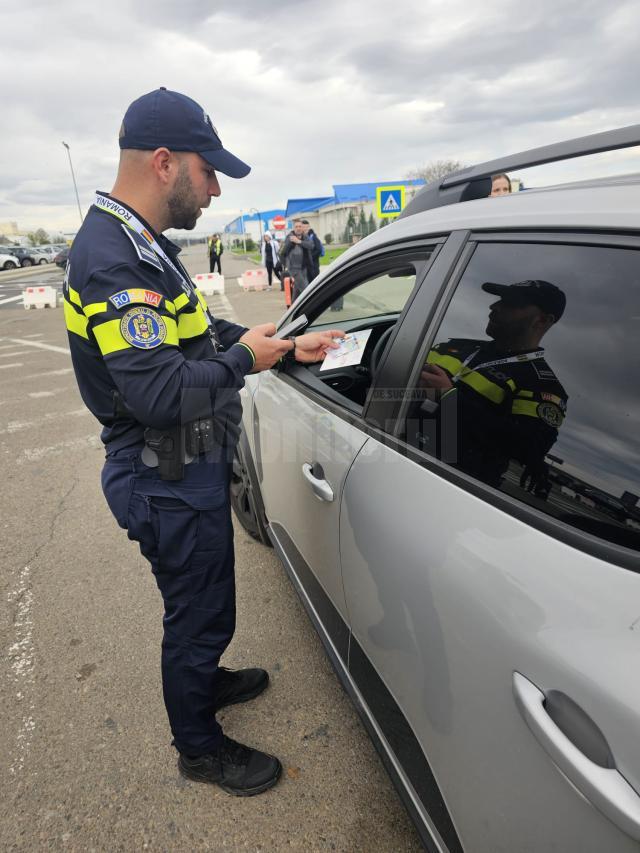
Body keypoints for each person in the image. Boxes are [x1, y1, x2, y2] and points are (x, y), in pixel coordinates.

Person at [62, 87, 344, 796]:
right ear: (164, 162)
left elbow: (192, 331)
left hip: (179, 462)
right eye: (208, 170)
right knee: (197, 612)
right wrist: (247, 360)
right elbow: (158, 393)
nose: (215, 188)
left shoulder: (139, 240)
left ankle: (204, 682)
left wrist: (272, 342)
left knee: (200, 602)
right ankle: (198, 746)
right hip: (160, 468)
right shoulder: (112, 258)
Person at [417, 280, 568, 488]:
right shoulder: (453, 347)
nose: (494, 307)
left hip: (453, 486)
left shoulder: (542, 386)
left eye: (511, 303)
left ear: (542, 320)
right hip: (396, 449)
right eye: (499, 300)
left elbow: (528, 448)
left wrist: (449, 398)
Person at [280, 219, 314, 300]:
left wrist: (299, 242)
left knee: (297, 290)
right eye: (296, 227)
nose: (298, 228)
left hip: (304, 268)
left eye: (300, 226)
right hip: (294, 269)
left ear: (302, 228)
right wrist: (287, 265)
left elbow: (311, 246)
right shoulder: (290, 238)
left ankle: (293, 308)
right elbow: (281, 253)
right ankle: (312, 308)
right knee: (306, 290)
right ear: (293, 228)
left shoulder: (305, 237)